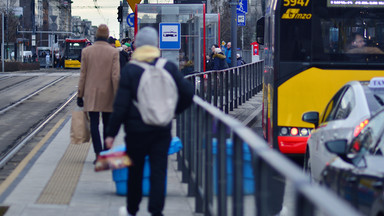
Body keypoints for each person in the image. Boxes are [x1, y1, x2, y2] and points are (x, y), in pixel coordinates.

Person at [104, 26, 194, 216]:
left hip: (136, 131)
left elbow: (120, 105)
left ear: (138, 46)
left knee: (135, 171)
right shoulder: (168, 67)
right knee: (158, 171)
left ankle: (132, 210)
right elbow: (188, 92)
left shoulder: (130, 70)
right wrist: (172, 111)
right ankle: (156, 211)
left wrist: (111, 134)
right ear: (155, 45)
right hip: (162, 129)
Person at [77, 24, 120, 163]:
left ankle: (98, 153)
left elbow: (83, 75)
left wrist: (80, 94)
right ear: (107, 36)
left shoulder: (86, 51)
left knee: (94, 124)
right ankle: (106, 154)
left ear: (96, 35)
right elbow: (115, 76)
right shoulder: (113, 52)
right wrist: (118, 94)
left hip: (91, 93)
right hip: (108, 94)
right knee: (107, 124)